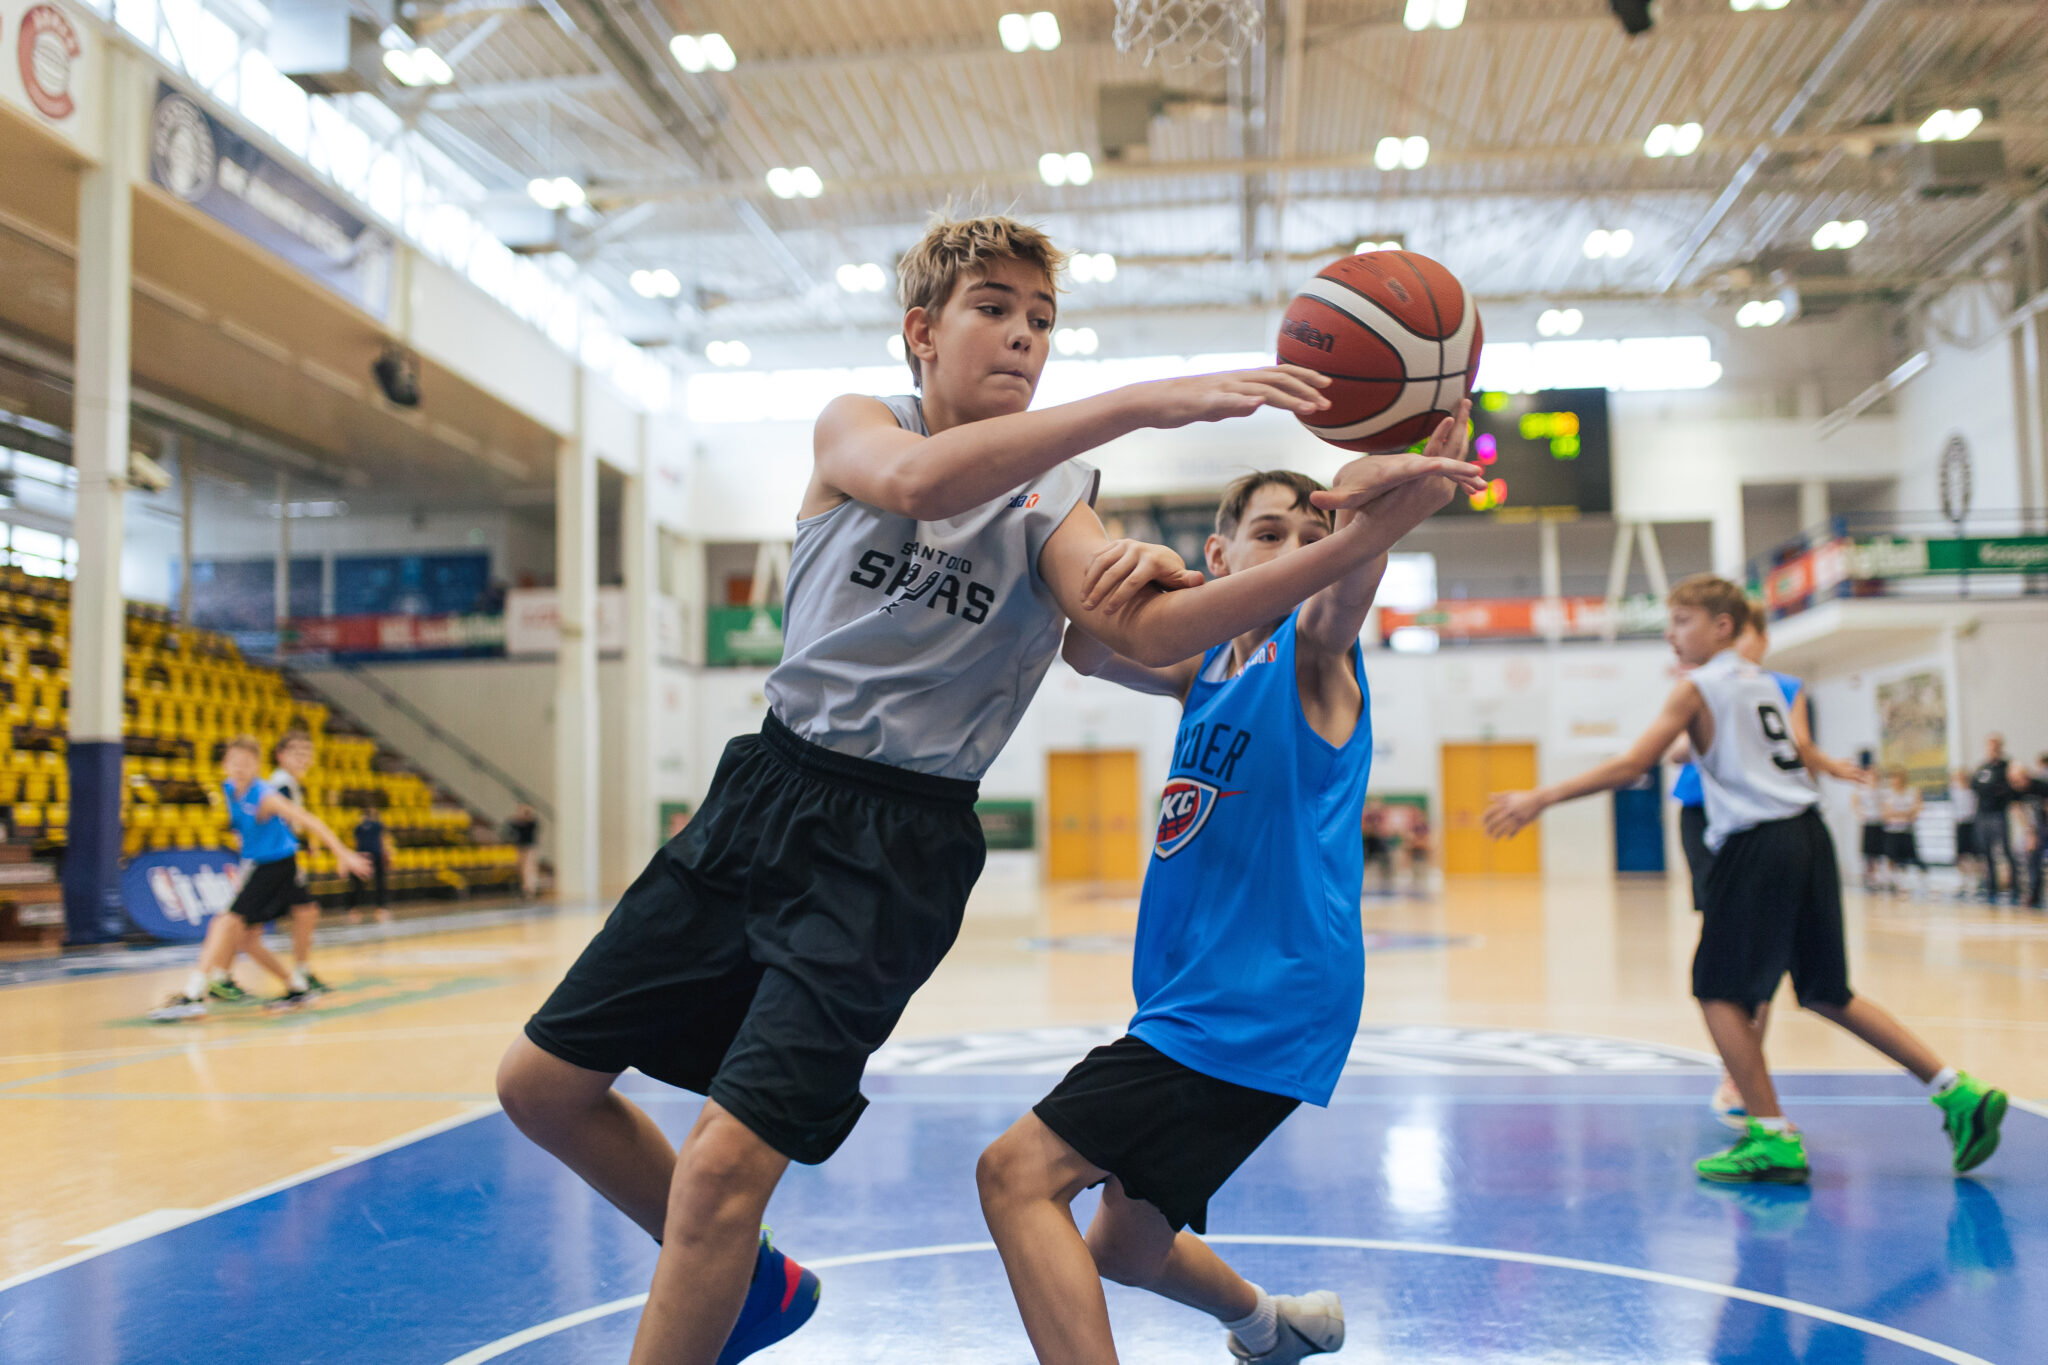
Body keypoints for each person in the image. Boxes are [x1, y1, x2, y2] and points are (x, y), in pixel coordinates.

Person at [491, 211, 1485, 1365]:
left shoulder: (1056, 497)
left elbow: (1141, 632)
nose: (1023, 336)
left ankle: (718, 1248)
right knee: (537, 1087)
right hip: (764, 790)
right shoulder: (860, 425)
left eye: (1043, 320)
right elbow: (913, 484)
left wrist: (1357, 540)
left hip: (892, 849)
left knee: (725, 1171)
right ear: (921, 331)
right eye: (995, 310)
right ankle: (745, 1283)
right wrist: (1144, 402)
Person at [978, 460, 1461, 1365]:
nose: (1296, 551)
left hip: (1257, 1001)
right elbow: (1086, 646)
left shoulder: (1314, 655)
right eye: (1270, 534)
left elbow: (1346, 580)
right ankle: (1272, 1327)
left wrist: (1373, 491)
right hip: (1195, 998)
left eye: (1312, 537)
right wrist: (1138, 564)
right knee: (1124, 1246)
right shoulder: (1203, 666)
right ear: (1220, 553)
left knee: (1014, 1175)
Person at [1485, 576, 2007, 1183]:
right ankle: (1955, 1090)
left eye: (1682, 621)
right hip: (1808, 834)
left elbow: (1634, 764)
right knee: (1826, 991)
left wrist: (1540, 797)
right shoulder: (1764, 683)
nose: (1671, 635)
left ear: (1722, 626)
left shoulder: (1698, 687)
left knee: (1717, 990)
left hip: (1759, 843)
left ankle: (1771, 1135)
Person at [1664, 611, 1836, 1129]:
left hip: (1760, 823)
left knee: (1755, 952)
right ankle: (1740, 1072)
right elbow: (1677, 751)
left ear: (1755, 637)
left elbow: (1800, 748)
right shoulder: (1704, 684)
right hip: (1706, 816)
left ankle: (1744, 1077)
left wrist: (1828, 769)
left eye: (1744, 635)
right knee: (1728, 944)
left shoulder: (1776, 685)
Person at [149, 736, 371, 1020]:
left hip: (274, 866)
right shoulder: (229, 789)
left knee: (225, 922)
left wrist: (343, 853)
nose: (240, 768)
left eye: (247, 763)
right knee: (247, 939)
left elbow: (309, 820)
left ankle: (193, 994)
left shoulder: (265, 796)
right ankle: (296, 986)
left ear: (257, 766)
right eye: (235, 762)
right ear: (225, 764)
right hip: (264, 863)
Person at [269, 731, 330, 994]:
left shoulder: (290, 783)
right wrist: (303, 843)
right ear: (281, 755)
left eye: (307, 753)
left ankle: (301, 972)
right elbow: (279, 821)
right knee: (305, 912)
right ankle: (299, 974)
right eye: (297, 752)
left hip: (280, 858)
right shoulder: (281, 783)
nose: (303, 758)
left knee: (305, 912)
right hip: (276, 860)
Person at [1969, 735, 2019, 903]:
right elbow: (1975, 786)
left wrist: (1995, 790)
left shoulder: (2007, 766)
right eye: (1989, 746)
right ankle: (1991, 888)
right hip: (1983, 815)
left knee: (2005, 851)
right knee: (1986, 852)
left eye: (1995, 746)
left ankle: (2014, 888)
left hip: (1999, 814)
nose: (1992, 749)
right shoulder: (1982, 767)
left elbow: (2008, 789)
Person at [1880, 766, 1927, 896]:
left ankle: (1914, 883)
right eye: (1893, 778)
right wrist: (1904, 813)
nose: (1895, 781)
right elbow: (1886, 814)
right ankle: (1895, 883)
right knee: (1892, 858)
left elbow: (1916, 810)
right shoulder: (1887, 794)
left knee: (1910, 858)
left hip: (1906, 830)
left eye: (1897, 778)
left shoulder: (1911, 792)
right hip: (1892, 830)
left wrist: (1900, 814)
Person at [349, 805, 394, 924]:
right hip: (374, 855)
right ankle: (381, 908)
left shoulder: (359, 827)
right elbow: (382, 841)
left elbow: (357, 843)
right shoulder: (376, 826)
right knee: (379, 883)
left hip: (363, 856)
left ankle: (354, 909)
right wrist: (386, 855)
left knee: (358, 885)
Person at [1853, 756, 1887, 892]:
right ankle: (1868, 878)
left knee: (1879, 853)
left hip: (1879, 823)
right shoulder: (1861, 790)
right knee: (1868, 853)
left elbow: (1885, 805)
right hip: (1868, 823)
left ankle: (1878, 878)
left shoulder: (1881, 789)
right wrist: (1860, 814)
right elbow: (1854, 803)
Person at [1949, 768, 1981, 902]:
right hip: (1960, 824)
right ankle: (1963, 881)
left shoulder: (1973, 791)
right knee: (1960, 855)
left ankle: (1975, 881)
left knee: (1974, 854)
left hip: (1971, 823)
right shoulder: (1954, 791)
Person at [1361, 799, 1395, 893]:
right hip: (1369, 841)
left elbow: (1386, 830)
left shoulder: (1381, 817)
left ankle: (1387, 878)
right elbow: (1364, 828)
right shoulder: (1368, 817)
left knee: (1385, 858)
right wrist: (1372, 830)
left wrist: (1379, 831)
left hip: (1380, 842)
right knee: (1365, 859)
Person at [508, 803, 541, 900]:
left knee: (529, 869)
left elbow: (529, 826)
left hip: (529, 848)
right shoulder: (517, 822)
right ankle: (523, 889)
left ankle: (530, 890)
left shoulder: (532, 822)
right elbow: (512, 826)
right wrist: (519, 816)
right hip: (520, 847)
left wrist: (525, 815)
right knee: (522, 869)